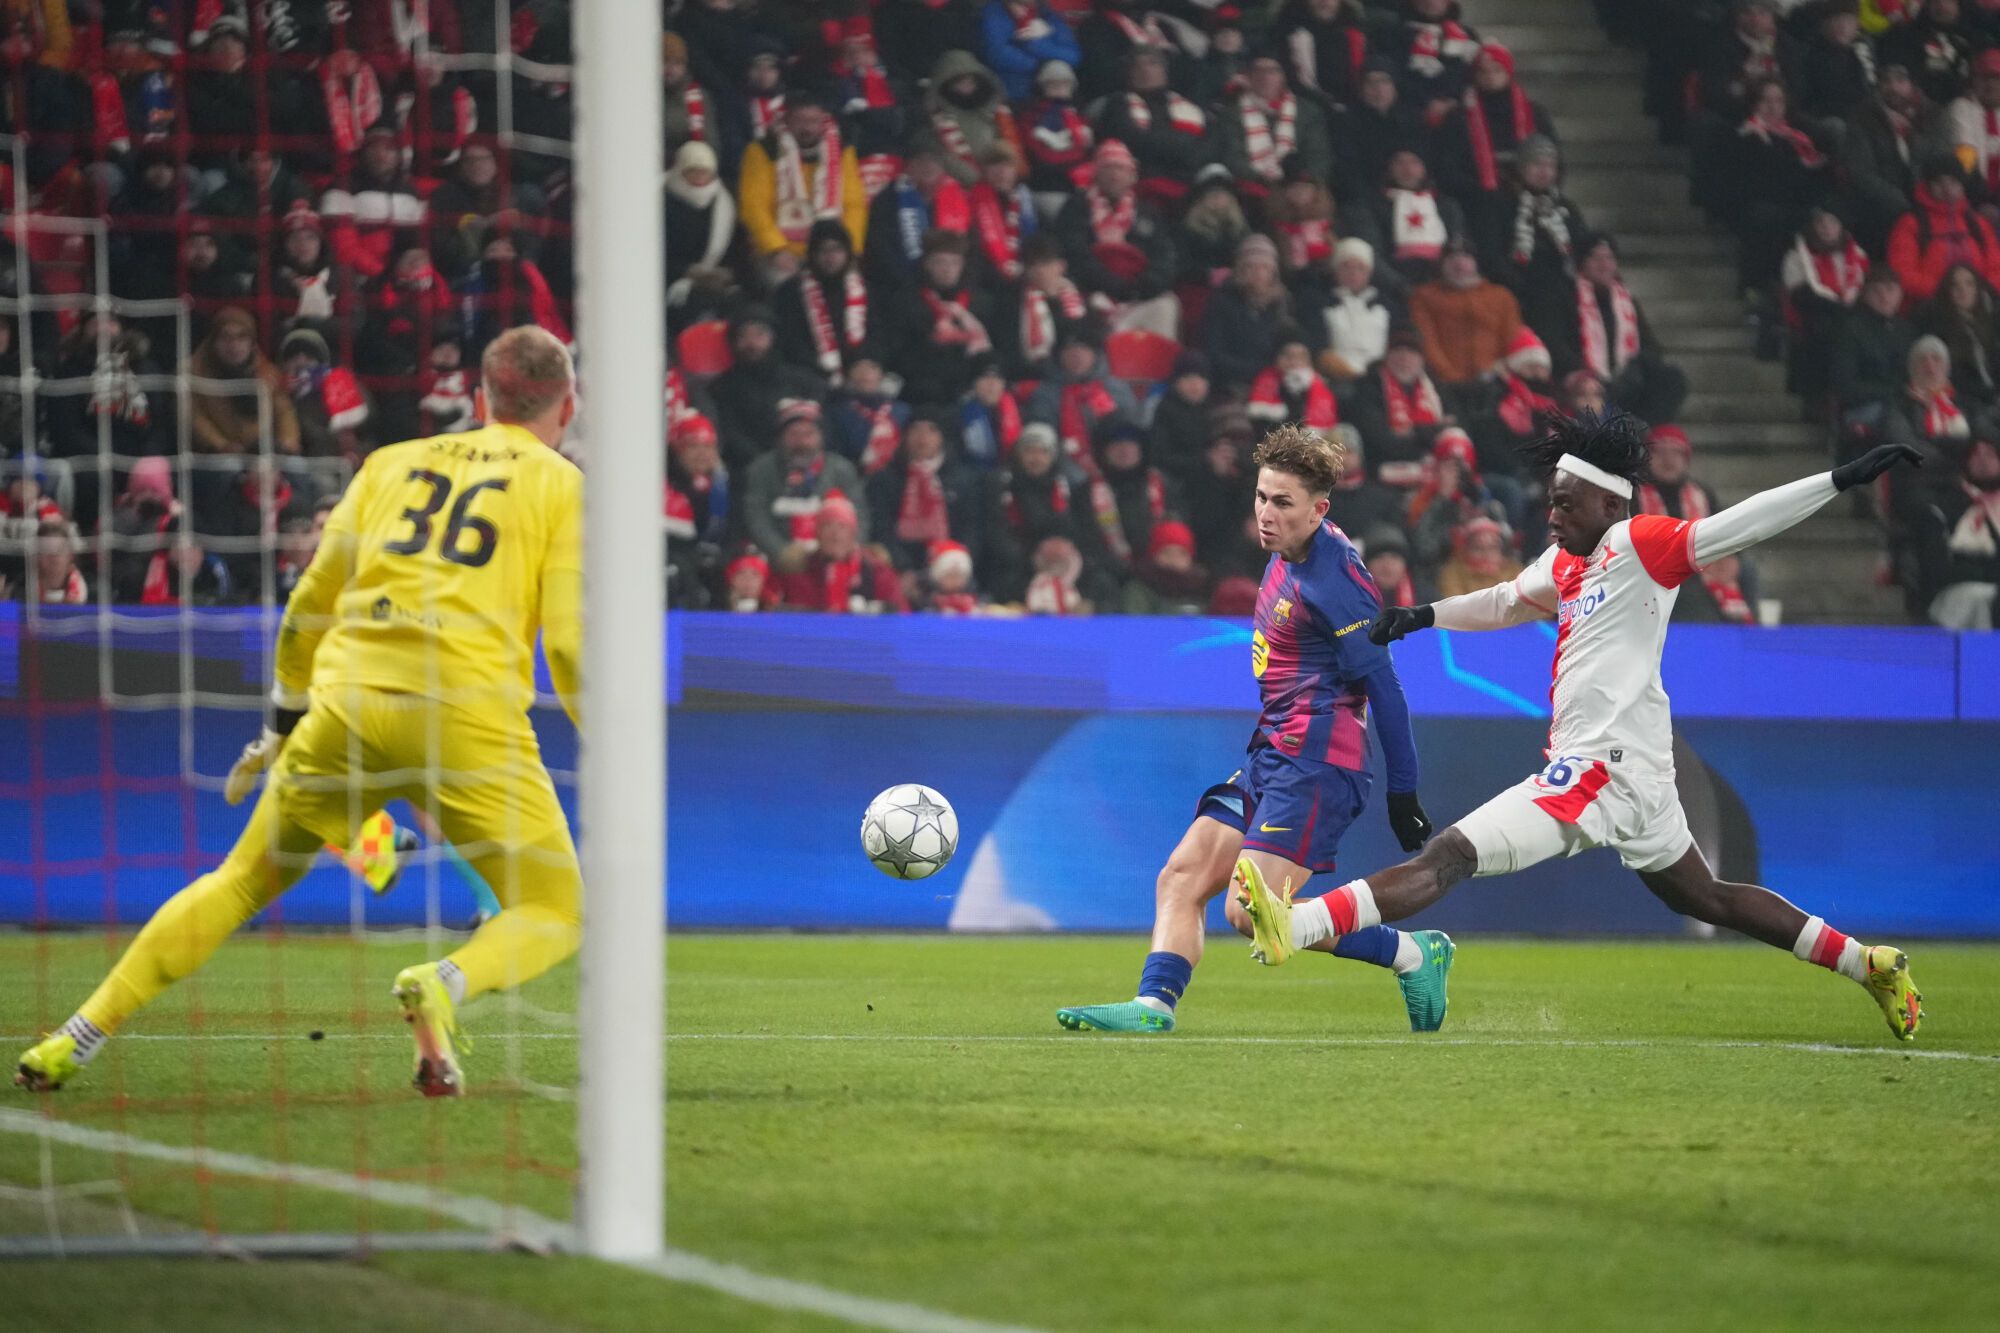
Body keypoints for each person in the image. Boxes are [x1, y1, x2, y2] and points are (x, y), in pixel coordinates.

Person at [15, 327, 592, 1097]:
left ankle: (75, 1035)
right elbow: (570, 645)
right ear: (568, 406)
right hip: (466, 712)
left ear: (481, 398)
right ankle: (441, 979)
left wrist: (281, 726)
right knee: (555, 909)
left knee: (238, 881)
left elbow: (310, 602)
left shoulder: (389, 464)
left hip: (348, 702)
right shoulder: (563, 485)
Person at [1234, 413, 1929, 1046]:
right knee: (1707, 896)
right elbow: (1507, 600)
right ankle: (1867, 963)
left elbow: (1737, 526)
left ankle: (1299, 924)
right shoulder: (1567, 561)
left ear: (1611, 505)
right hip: (1640, 774)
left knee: (1450, 854)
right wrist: (1425, 616)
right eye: (1553, 500)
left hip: (1601, 767)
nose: (1553, 514)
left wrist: (1837, 480)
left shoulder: (1639, 543)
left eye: (1567, 503)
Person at [1055, 424, 1443, 1035]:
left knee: (1249, 912)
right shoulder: (1287, 550)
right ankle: (1154, 1006)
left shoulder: (1338, 581)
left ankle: (1413, 953)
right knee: (1181, 876)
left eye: (1282, 502)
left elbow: (1385, 688)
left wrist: (1403, 791)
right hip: (1273, 751)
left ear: (1319, 510)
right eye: (1262, 496)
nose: (1266, 513)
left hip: (1319, 763)